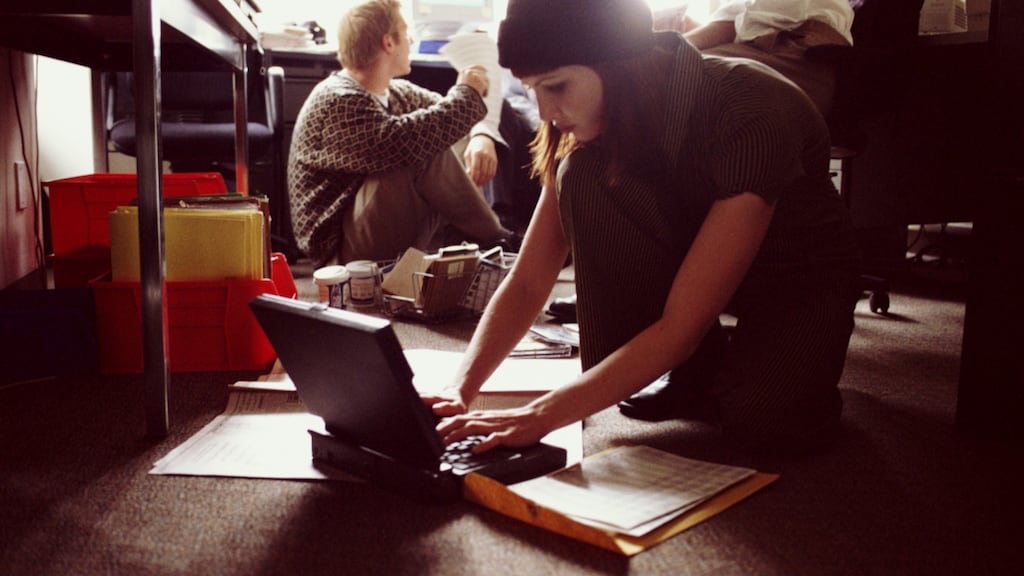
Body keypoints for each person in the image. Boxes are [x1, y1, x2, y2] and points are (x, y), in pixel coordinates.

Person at [425, 0, 862, 456]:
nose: (546, 111)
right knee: (581, 174)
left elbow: (679, 325)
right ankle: (706, 361)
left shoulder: (750, 108)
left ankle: (778, 370)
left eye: (555, 85)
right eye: (533, 89)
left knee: (760, 419)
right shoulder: (597, 123)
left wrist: (544, 414)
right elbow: (530, 279)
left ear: (619, 63)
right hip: (697, 266)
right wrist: (461, 387)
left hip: (798, 277)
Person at [288, 0, 516, 266]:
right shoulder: (337, 100)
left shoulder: (395, 92)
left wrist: (481, 136)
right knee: (420, 147)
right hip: (338, 251)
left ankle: (473, 240)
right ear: (389, 43)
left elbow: (451, 116)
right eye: (406, 33)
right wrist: (467, 93)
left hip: (369, 228)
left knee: (446, 135)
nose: (411, 40)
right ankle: (498, 240)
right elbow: (407, 140)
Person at [676, 0, 855, 116]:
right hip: (804, 60)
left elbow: (725, 28)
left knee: (666, 78)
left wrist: (663, 45)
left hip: (793, 52)